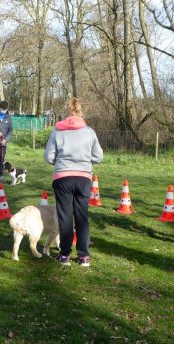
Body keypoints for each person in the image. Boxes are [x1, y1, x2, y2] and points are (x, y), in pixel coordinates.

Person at [43, 97, 103, 267]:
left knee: (65, 217)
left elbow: (48, 156)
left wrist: (59, 163)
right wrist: (84, 160)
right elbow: (99, 157)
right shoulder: (89, 131)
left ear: (65, 112)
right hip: (83, 177)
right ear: (80, 112)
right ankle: (84, 256)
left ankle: (65, 255)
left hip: (63, 177)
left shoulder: (57, 131)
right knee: (82, 216)